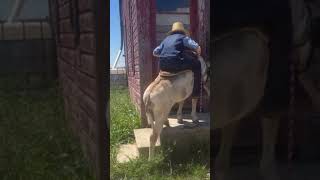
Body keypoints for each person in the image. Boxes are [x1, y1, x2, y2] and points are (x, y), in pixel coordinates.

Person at [153, 21, 202, 98]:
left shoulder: (166, 39)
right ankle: (196, 93)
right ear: (182, 31)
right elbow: (197, 47)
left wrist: (165, 55)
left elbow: (155, 52)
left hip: (163, 66)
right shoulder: (183, 37)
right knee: (197, 64)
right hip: (176, 63)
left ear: (172, 31)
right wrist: (198, 56)